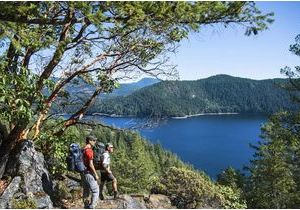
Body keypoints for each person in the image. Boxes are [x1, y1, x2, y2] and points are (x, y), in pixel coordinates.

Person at [82, 136, 99, 209]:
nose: (95, 142)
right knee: (95, 191)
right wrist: (95, 174)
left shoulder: (82, 149)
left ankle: (86, 206)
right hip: (88, 173)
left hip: (83, 173)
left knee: (86, 191)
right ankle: (92, 207)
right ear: (89, 141)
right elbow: (90, 164)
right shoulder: (89, 150)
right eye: (94, 140)